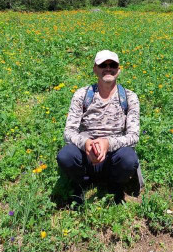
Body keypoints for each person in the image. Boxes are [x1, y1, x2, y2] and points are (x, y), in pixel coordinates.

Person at [57, 50, 143, 205]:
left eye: (113, 65)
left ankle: (115, 184)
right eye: (103, 64)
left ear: (119, 69)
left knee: (129, 158)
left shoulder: (129, 97)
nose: (108, 68)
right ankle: (81, 183)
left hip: (113, 157)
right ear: (95, 69)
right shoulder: (82, 95)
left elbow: (134, 137)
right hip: (86, 155)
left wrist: (107, 144)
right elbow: (68, 132)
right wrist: (87, 144)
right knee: (65, 155)